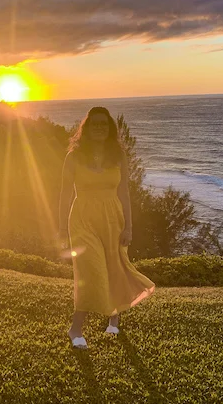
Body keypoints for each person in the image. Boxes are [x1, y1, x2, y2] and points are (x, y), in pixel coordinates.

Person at [58, 106, 155, 349]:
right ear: (86, 128)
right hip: (82, 218)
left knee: (115, 266)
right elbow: (65, 194)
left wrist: (129, 226)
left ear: (110, 127)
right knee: (91, 270)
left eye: (104, 124)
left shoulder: (118, 155)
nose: (99, 127)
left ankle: (114, 317)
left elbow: (124, 191)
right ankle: (75, 328)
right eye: (94, 124)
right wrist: (61, 228)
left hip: (113, 217)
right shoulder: (74, 156)